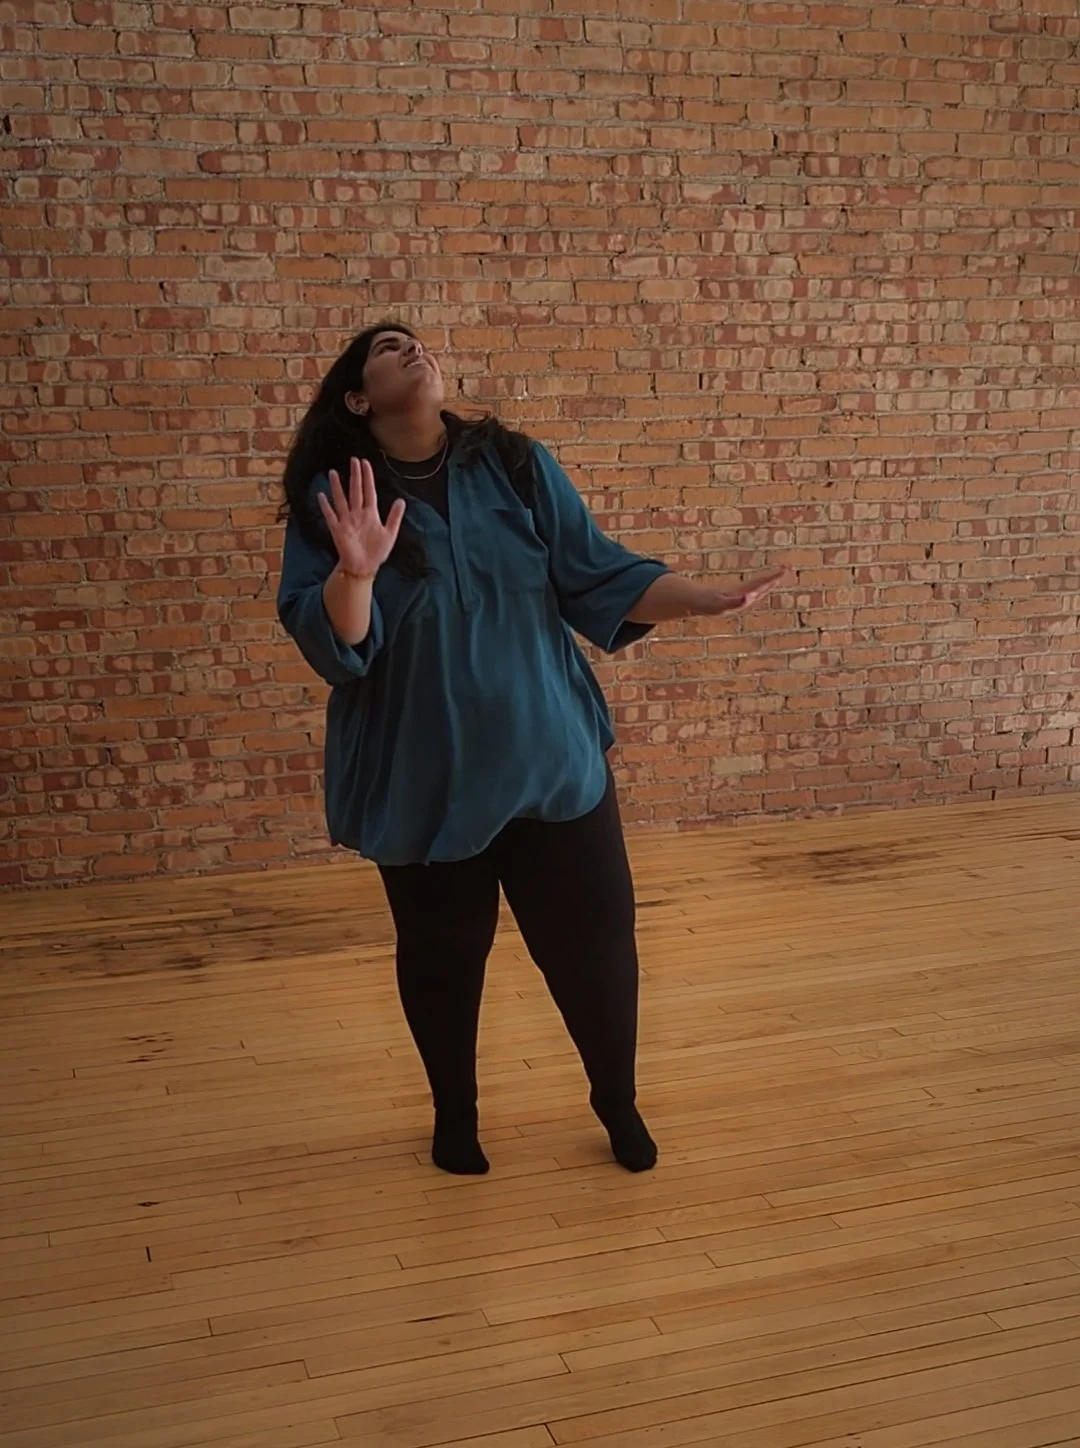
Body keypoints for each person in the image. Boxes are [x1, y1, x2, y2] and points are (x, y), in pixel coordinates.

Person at [277, 322, 790, 1177]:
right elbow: (338, 644)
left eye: (416, 340)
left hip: (549, 757)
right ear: (358, 398)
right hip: (422, 774)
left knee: (596, 950)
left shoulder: (513, 464)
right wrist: (355, 571)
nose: (412, 348)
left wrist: (700, 599)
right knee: (442, 958)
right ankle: (455, 1115)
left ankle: (616, 1101)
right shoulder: (337, 497)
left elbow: (598, 574)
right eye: (387, 347)